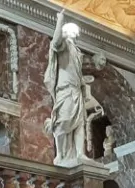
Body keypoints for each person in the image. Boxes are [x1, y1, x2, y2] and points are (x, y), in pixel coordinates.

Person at [44, 10, 87, 167]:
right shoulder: (64, 45)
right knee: (63, 122)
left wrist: (83, 89)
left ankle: (80, 154)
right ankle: (61, 155)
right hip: (65, 90)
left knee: (80, 122)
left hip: (76, 91)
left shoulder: (77, 52)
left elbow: (77, 74)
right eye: (72, 29)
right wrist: (60, 21)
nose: (76, 33)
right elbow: (55, 42)